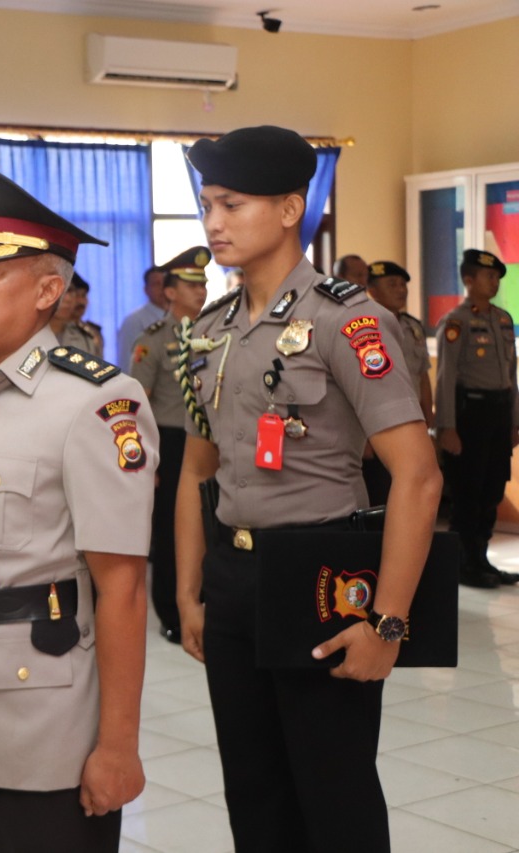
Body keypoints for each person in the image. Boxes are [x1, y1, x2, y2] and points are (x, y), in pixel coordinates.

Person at [175, 126, 440, 853]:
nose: (213, 223)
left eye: (231, 204)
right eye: (206, 205)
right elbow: (197, 470)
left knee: (335, 795)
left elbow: (419, 474)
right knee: (253, 794)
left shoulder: (347, 320)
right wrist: (190, 589)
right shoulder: (212, 330)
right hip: (233, 578)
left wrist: (389, 621)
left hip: (320, 579)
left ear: (290, 208)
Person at [0, 166, 156, 851]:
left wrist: (117, 745)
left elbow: (123, 588)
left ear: (49, 290)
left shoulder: (95, 402)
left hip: (41, 726)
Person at [128, 246, 210, 644]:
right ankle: (170, 610)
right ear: (170, 292)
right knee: (170, 529)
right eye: (193, 285)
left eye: (205, 284)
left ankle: (204, 598)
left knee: (210, 523)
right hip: (170, 442)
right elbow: (137, 406)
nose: (202, 292)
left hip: (208, 441)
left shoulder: (214, 333)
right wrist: (149, 462)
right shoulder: (153, 340)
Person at [435, 249, 519, 588]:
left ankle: (481, 559)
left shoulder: (502, 319)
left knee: (492, 489)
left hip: (498, 415)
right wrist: (446, 427)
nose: (495, 281)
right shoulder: (456, 322)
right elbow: (445, 376)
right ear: (469, 280)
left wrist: (515, 420)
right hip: (470, 416)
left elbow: (511, 375)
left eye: (497, 277)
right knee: (468, 494)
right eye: (488, 276)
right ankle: (463, 564)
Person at [362, 260, 434, 506]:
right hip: (379, 429)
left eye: (403, 284)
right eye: (392, 284)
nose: (401, 289)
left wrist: (428, 424)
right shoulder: (362, 326)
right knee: (381, 499)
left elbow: (422, 377)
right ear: (372, 289)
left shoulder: (412, 327)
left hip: (411, 424)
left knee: (412, 497)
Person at [115, 264, 168, 367]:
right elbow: (126, 362)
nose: (162, 288)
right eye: (156, 284)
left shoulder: (176, 318)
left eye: (165, 283)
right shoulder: (133, 321)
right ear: (146, 290)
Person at [52, 272, 104, 357]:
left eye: (71, 291)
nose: (68, 299)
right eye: (64, 292)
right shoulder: (29, 334)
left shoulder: (86, 338)